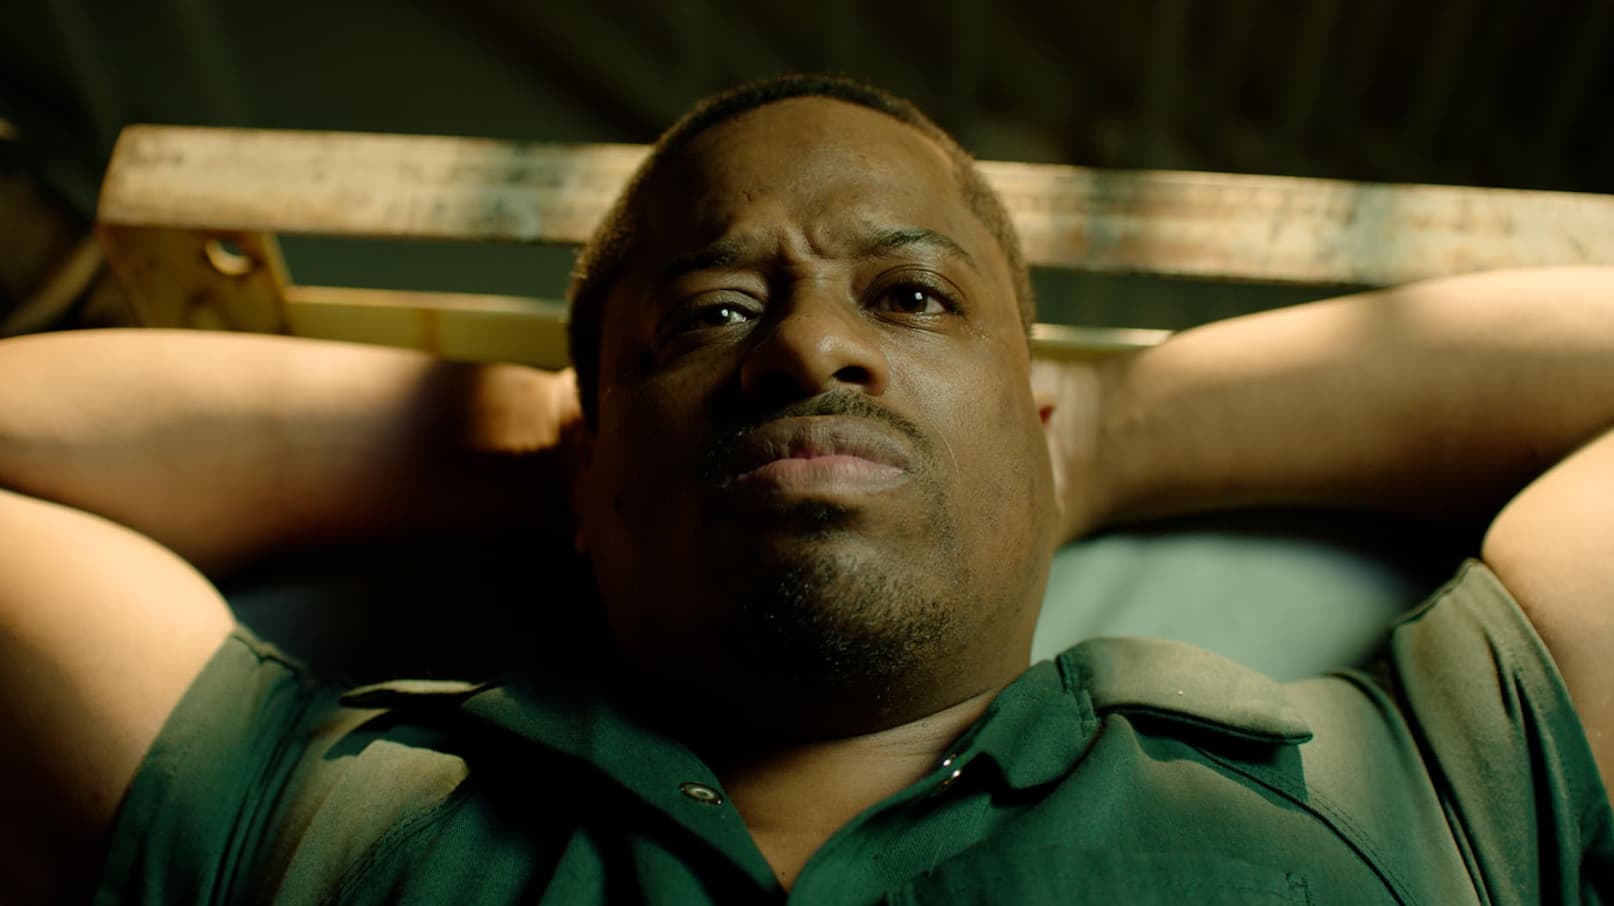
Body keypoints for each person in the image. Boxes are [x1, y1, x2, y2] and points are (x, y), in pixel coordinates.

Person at [0, 74, 1610, 903]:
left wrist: (1108, 437)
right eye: (711, 315)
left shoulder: (1405, 792)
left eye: (907, 296)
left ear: (1033, 411)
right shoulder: (306, 816)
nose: (808, 347)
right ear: (583, 459)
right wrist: (567, 446)